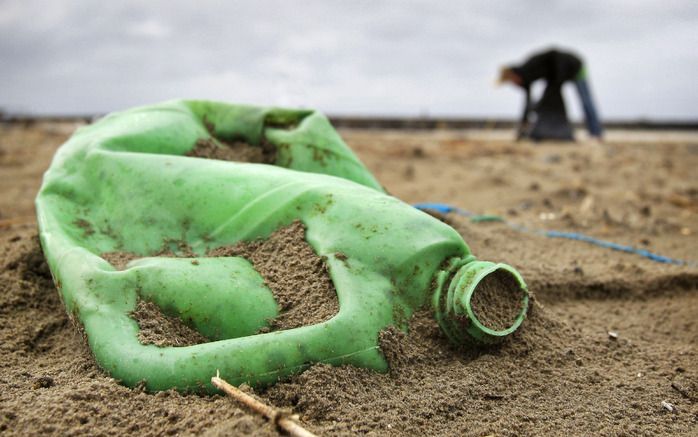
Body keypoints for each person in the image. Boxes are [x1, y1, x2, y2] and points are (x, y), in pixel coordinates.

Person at [499, 48, 603, 142]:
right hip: (559, 75)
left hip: (576, 67)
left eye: (511, 81)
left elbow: (554, 53)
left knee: (586, 101)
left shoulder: (531, 65)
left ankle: (596, 133)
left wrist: (557, 81)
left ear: (513, 75)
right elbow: (527, 101)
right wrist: (523, 124)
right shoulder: (526, 79)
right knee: (553, 96)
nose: (513, 84)